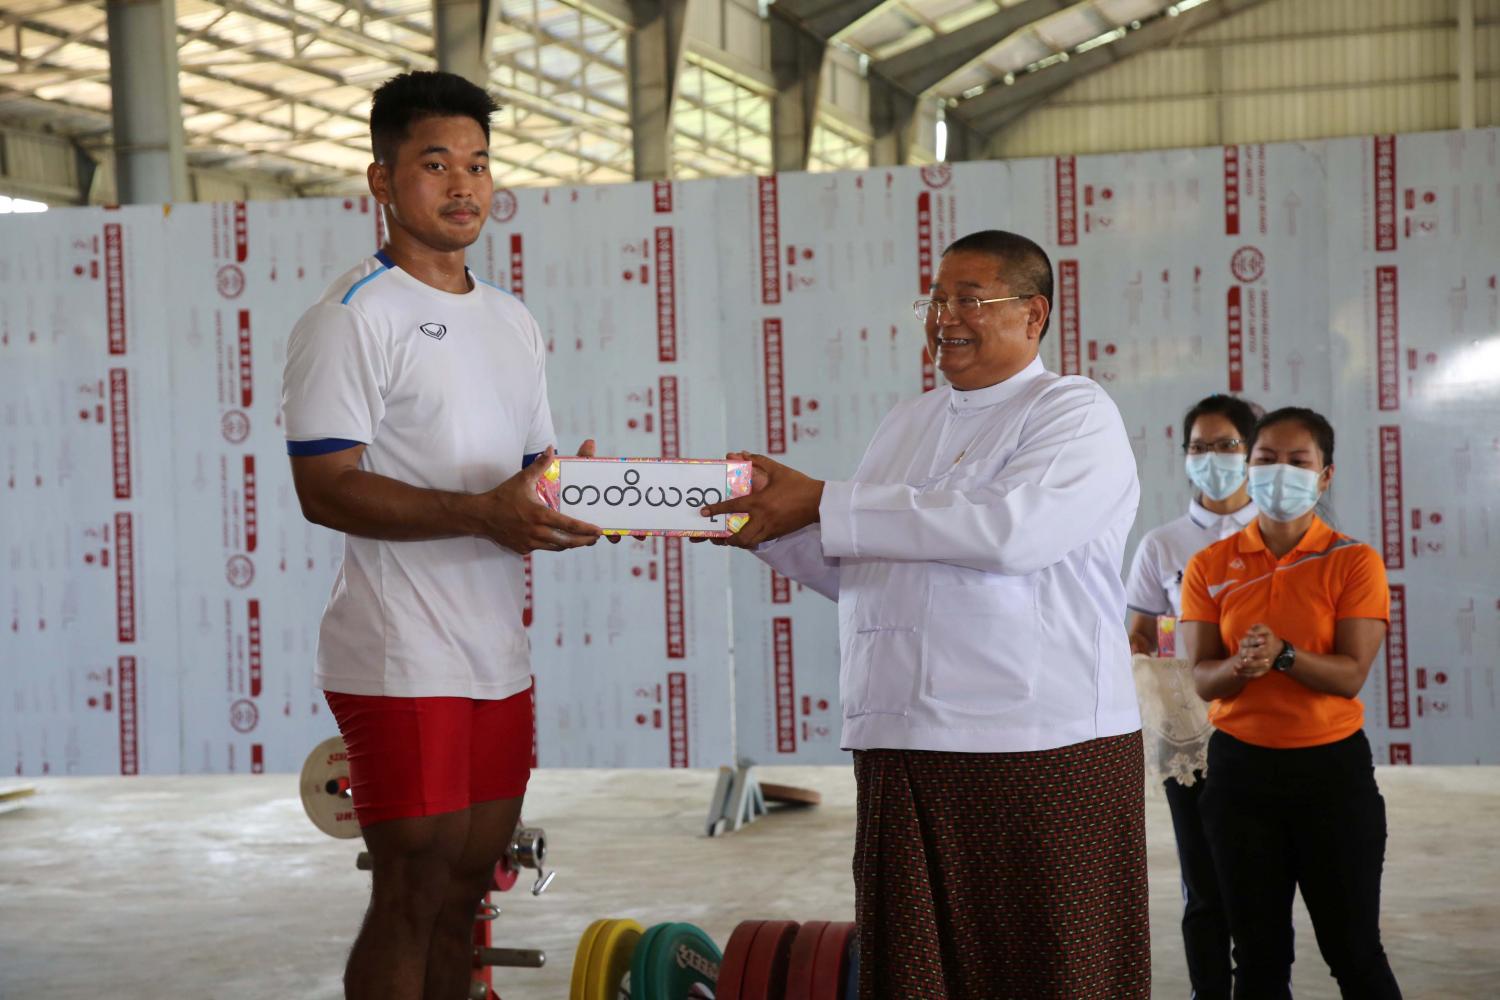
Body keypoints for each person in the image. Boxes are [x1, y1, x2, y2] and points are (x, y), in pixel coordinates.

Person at [702, 230, 1149, 999]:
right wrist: (771, 531)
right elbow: (873, 574)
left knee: (1052, 971)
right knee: (915, 973)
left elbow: (1010, 532)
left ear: (1034, 314)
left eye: (970, 299)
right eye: (935, 300)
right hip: (903, 741)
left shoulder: (1073, 411)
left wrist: (822, 501)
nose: (945, 317)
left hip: (1036, 745)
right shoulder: (907, 424)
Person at [280, 71, 602, 1000]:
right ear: (382, 181)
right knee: (412, 890)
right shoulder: (351, 317)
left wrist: (586, 496)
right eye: (435, 164)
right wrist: (482, 513)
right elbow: (324, 489)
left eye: (479, 164)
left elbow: (527, 477)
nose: (465, 186)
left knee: (468, 888)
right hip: (398, 651)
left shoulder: (510, 320)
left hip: (496, 652)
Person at [1180, 407, 1403, 1000]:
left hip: (1331, 776)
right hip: (1239, 777)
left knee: (1354, 952)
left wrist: (1283, 656)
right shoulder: (1209, 566)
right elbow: (1202, 678)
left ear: (1324, 475)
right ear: (1248, 468)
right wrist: (1239, 666)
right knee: (1258, 959)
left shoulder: (1353, 560)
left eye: (1298, 461)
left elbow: (1350, 675)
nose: (1280, 472)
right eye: (1266, 459)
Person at [1124, 393, 1259, 1000]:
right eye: (1199, 447)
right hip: (1191, 735)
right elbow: (1140, 635)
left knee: (1262, 884)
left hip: (1268, 729)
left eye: (1227, 445)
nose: (1212, 458)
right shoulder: (1163, 544)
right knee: (1203, 887)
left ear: (1252, 453)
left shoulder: (1279, 536)